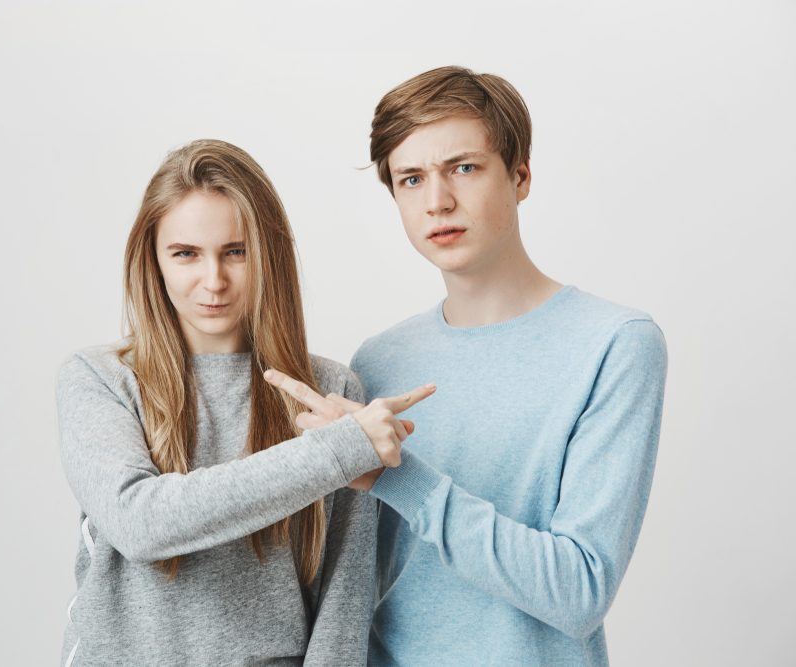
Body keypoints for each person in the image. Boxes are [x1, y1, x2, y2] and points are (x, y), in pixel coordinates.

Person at [264, 67, 668, 666]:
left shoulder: (614, 344)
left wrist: (396, 476)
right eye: (411, 179)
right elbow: (349, 586)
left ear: (521, 175)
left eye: (464, 167)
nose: (438, 202)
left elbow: (580, 591)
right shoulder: (378, 361)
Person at [55, 139, 434, 666]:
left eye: (236, 251)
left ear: (268, 254)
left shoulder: (333, 389)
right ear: (153, 259)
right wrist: (333, 453)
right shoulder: (99, 379)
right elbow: (141, 523)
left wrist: (341, 448)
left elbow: (344, 604)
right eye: (186, 254)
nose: (213, 281)